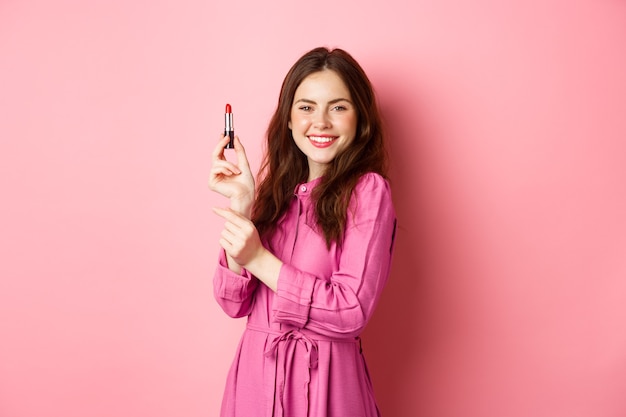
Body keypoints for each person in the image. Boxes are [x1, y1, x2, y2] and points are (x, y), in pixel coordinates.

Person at [209, 46, 397, 417]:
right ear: (290, 119)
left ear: (360, 119)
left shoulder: (368, 190)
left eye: (338, 107)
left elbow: (350, 309)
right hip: (254, 383)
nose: (321, 122)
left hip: (327, 385)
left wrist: (259, 259)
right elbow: (233, 303)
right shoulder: (274, 196)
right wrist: (243, 206)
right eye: (306, 107)